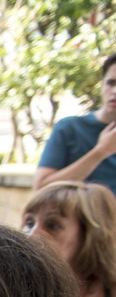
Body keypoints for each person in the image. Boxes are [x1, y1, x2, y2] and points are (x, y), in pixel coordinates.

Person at [23, 180, 116, 297]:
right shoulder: (17, 289)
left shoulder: (110, 291)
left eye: (52, 225)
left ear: (90, 235)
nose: (32, 235)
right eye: (30, 223)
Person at [38, 53, 116, 196]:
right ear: (101, 85)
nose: (114, 91)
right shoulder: (69, 128)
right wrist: (101, 151)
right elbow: (41, 188)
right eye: (111, 83)